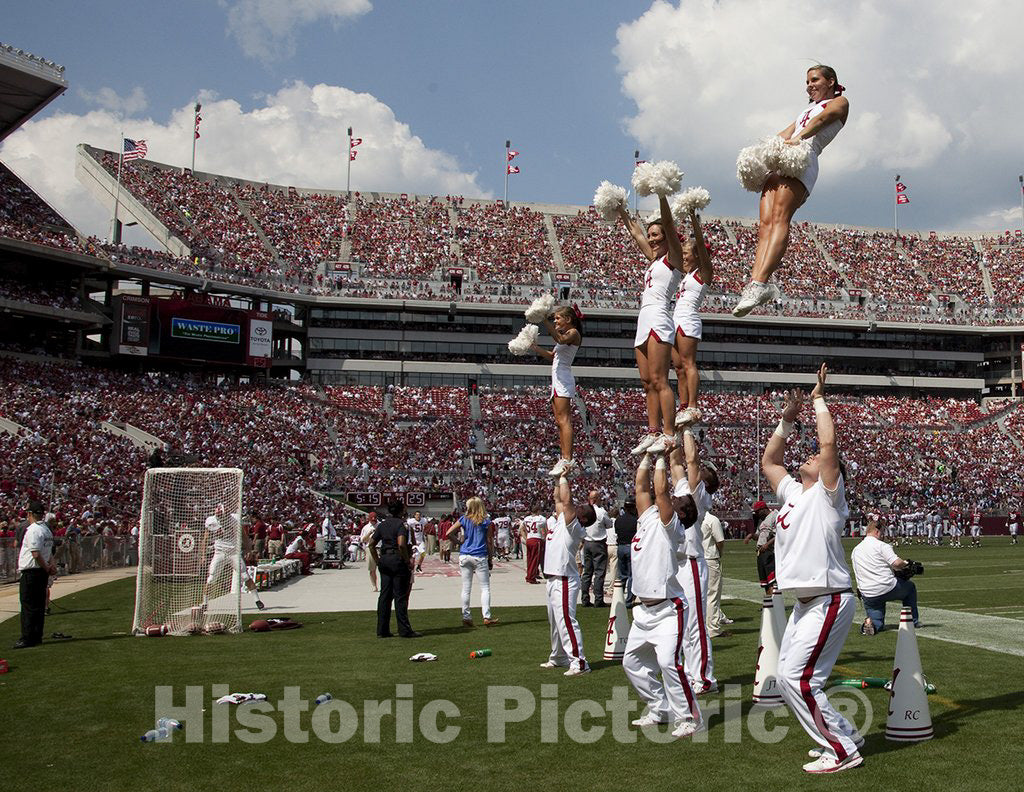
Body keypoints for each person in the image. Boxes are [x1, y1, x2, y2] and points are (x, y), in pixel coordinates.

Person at [761, 363, 864, 773]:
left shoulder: (827, 495)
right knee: (792, 679)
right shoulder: (793, 492)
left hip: (828, 599)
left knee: (799, 680)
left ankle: (841, 750)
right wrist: (787, 420)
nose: (810, 457)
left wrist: (819, 398)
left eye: (815, 458)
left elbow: (829, 447)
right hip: (807, 603)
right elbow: (770, 462)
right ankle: (843, 735)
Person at [733, 65, 849, 317]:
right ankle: (756, 285)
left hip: (802, 158)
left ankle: (761, 282)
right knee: (764, 224)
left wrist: (799, 138)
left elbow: (821, 121)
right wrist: (758, 153)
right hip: (785, 156)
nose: (809, 85)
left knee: (779, 219)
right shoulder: (806, 109)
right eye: (807, 81)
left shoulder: (841, 102)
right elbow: (785, 133)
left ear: (830, 81)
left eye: (815, 80)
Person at [623, 452, 704, 739]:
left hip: (668, 609)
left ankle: (690, 717)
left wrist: (659, 457)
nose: (676, 499)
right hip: (643, 611)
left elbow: (658, 490)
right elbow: (641, 488)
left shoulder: (673, 527)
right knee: (631, 662)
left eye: (680, 501)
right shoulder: (648, 520)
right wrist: (646, 458)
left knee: (669, 663)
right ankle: (659, 708)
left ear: (681, 513)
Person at [617, 195, 686, 455]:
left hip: (658, 316)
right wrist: (621, 208)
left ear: (667, 236)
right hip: (643, 319)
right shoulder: (653, 260)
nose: (652, 238)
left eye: (656, 234)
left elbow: (668, 222)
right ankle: (653, 430)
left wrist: (661, 194)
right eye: (651, 235)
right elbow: (635, 234)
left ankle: (669, 433)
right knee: (647, 382)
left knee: (660, 380)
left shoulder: (674, 259)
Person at [669, 428, 718, 695]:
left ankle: (705, 678)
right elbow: (677, 462)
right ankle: (691, 671)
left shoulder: (700, 494)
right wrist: (671, 434)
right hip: (678, 564)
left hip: (692, 562)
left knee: (696, 623)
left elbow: (689, 461)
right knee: (684, 622)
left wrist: (686, 428)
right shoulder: (683, 487)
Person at [540, 472, 595, 676]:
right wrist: (556, 480)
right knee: (555, 621)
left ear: (583, 517)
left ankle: (579, 662)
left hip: (564, 579)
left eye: (582, 508)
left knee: (566, 621)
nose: (577, 506)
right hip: (553, 578)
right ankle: (558, 657)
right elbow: (558, 499)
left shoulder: (575, 527)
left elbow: (566, 500)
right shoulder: (564, 520)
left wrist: (564, 477)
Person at [671, 209, 714, 428]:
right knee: (678, 368)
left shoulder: (704, 272)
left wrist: (693, 222)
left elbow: (699, 242)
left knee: (688, 363)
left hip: (688, 318)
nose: (684, 258)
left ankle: (694, 405)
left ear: (697, 255)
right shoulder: (687, 274)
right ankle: (683, 405)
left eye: (687, 255)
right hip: (675, 319)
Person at [530, 306, 583, 478]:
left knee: (564, 419)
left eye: (558, 318)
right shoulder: (565, 336)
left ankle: (567, 458)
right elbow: (553, 356)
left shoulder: (573, 333)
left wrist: (543, 319)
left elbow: (560, 339)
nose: (555, 321)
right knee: (559, 422)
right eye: (553, 319)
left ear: (568, 320)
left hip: (564, 379)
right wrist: (534, 347)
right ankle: (563, 457)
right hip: (557, 380)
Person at [851, 516, 920, 634]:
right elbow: (896, 563)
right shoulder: (882, 546)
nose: (883, 535)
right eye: (882, 532)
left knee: (877, 622)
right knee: (910, 588)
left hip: (868, 593)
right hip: (887, 586)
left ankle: (869, 624)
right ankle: (913, 621)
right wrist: (907, 563)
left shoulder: (856, 550)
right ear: (877, 532)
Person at [369, 499, 420, 638]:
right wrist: (406, 560)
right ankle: (404, 629)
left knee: (385, 596)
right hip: (397, 560)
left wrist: (378, 560)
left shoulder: (383, 525)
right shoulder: (401, 525)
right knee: (400, 596)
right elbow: (402, 544)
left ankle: (382, 629)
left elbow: (371, 544)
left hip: (385, 559)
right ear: (401, 510)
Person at [453, 497, 498, 628]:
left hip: (465, 554)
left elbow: (449, 532)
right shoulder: (486, 521)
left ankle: (466, 616)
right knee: (484, 588)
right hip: (479, 555)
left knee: (466, 588)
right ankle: (486, 616)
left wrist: (460, 543)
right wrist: (490, 558)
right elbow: (489, 541)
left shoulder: (464, 519)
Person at [15, 501, 55, 649]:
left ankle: (27, 637)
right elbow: (49, 551)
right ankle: (37, 635)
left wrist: (46, 567)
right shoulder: (46, 529)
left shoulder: (33, 530)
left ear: (30, 514)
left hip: (32, 570)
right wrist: (51, 566)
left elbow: (35, 553)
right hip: (41, 571)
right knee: (38, 605)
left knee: (28, 604)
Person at [580, 490, 611, 608]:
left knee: (587, 572)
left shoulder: (584, 511)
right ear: (597, 499)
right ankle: (598, 599)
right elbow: (609, 524)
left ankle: (585, 598)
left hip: (587, 542)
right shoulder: (601, 512)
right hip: (598, 542)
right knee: (599, 572)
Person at [701, 510, 728, 638]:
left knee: (701, 595)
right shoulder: (712, 519)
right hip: (710, 558)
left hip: (697, 559)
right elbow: (720, 541)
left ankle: (702, 626)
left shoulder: (695, 518)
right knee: (712, 595)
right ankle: (713, 628)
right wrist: (720, 553)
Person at [747, 500, 779, 594]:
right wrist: (752, 535)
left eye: (757, 511)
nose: (756, 514)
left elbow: (779, 535)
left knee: (771, 580)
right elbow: (758, 536)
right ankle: (769, 604)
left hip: (770, 552)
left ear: (763, 509)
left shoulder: (774, 515)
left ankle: (774, 603)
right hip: (761, 552)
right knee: (765, 582)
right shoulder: (762, 521)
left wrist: (767, 544)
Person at [614, 498, 638, 606]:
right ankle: (628, 601)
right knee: (631, 575)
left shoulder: (619, 519)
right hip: (631, 547)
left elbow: (616, 531)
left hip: (621, 547)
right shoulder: (635, 521)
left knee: (622, 575)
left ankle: (619, 599)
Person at [522, 507, 547, 584]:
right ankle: (531, 577)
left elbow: (522, 529)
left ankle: (529, 575)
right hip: (537, 539)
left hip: (529, 538)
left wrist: (526, 537)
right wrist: (544, 538)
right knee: (535, 560)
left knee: (530, 559)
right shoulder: (541, 519)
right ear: (538, 511)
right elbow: (545, 529)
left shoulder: (526, 518)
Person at [360, 512, 379, 591]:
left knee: (385, 568)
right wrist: (369, 533)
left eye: (375, 520)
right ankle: (374, 586)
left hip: (380, 547)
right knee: (372, 569)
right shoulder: (366, 527)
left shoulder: (380, 525)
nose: (374, 521)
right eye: (372, 520)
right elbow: (363, 540)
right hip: (370, 548)